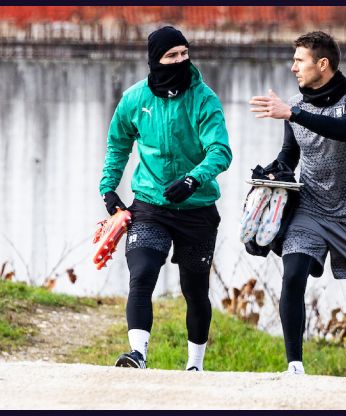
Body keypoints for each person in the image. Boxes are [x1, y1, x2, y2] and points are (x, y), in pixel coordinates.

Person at [249, 31, 346, 378]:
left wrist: (293, 114)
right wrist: (273, 174)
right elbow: (290, 154)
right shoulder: (296, 105)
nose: (293, 67)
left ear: (322, 64)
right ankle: (294, 366)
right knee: (293, 275)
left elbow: (344, 129)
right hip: (310, 209)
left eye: (299, 60)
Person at [99, 26, 232, 371]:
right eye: (172, 55)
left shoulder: (204, 99)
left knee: (194, 290)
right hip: (150, 205)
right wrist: (108, 189)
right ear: (155, 60)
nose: (180, 60)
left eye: (185, 53)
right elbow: (117, 145)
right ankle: (138, 355)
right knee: (142, 274)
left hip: (197, 208)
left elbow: (220, 151)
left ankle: (195, 365)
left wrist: (193, 179)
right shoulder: (134, 99)